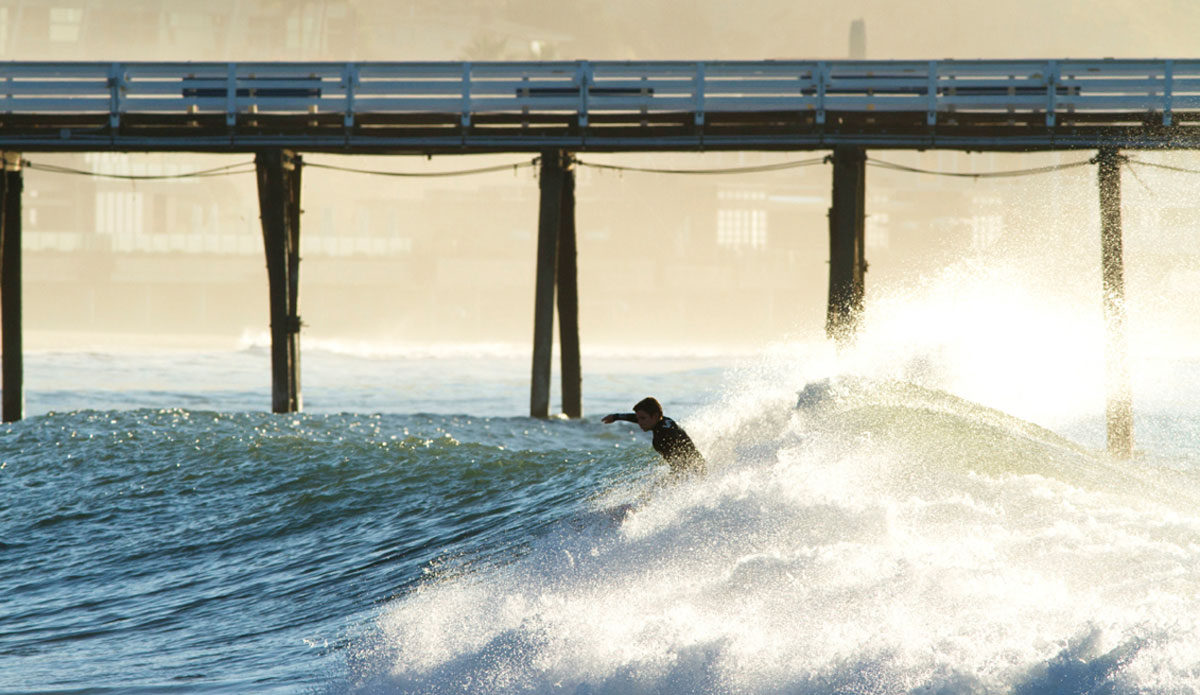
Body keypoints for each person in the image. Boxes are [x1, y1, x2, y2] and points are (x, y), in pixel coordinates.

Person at [602, 396, 706, 476]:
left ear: (655, 416)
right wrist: (616, 417)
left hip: (693, 471)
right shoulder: (663, 420)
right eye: (638, 419)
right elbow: (636, 417)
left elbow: (683, 460)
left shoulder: (665, 434)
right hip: (696, 467)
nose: (639, 422)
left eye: (643, 418)